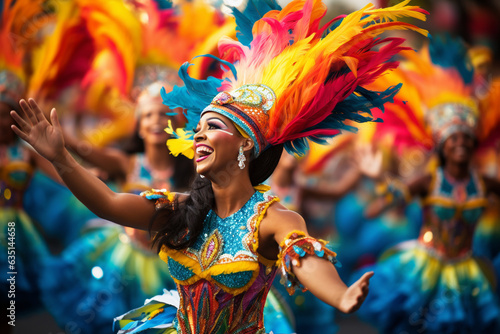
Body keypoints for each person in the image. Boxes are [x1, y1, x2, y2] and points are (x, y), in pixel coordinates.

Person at [10, 0, 428, 332]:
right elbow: (109, 204)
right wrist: (61, 157)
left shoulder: (273, 219)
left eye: (213, 127)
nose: (198, 136)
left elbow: (303, 257)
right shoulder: (180, 208)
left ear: (246, 143)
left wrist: (340, 296)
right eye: (199, 129)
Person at [356, 35, 500, 334]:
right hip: (423, 268)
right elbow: (374, 210)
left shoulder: (485, 183)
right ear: (441, 146)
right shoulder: (428, 180)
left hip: (468, 270)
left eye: (465, 139)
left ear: (474, 143)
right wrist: (378, 180)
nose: (460, 144)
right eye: (453, 139)